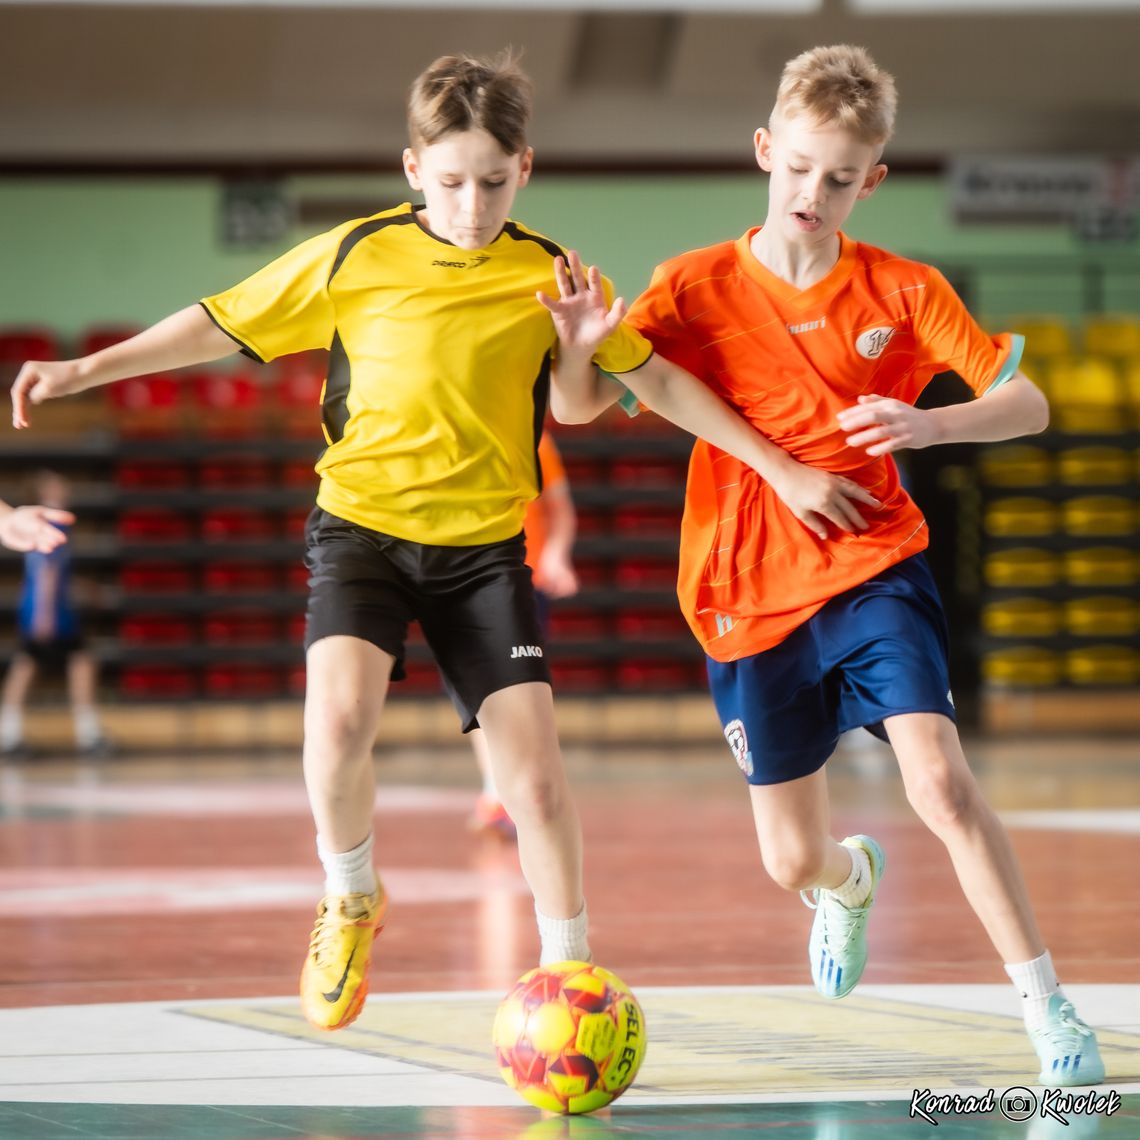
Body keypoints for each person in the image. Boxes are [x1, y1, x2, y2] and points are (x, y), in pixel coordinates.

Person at [10, 52, 872, 1034]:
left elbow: (659, 384)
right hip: (361, 533)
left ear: (526, 169)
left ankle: (570, 973)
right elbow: (216, 326)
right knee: (335, 729)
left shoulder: (551, 274)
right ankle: (350, 896)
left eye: (494, 183)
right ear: (414, 169)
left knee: (534, 781)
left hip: (482, 555)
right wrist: (83, 371)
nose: (473, 206)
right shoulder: (354, 256)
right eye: (453, 183)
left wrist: (778, 464)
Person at [551, 44, 1103, 1088]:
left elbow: (1026, 404)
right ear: (766, 150)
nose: (814, 192)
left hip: (872, 565)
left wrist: (932, 425)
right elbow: (581, 406)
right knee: (789, 861)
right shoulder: (695, 287)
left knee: (940, 782)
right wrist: (581, 346)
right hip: (746, 591)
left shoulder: (904, 289)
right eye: (799, 166)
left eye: (840, 176)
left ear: (872, 179)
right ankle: (848, 883)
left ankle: (1047, 1009)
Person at [470, 430, 578, 840]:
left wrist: (556, 554)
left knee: (518, 691)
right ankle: (495, 791)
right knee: (477, 692)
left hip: (523, 580)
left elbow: (560, 509)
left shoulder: (535, 441)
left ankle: (512, 792)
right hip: (465, 581)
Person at [0, 471, 108, 759]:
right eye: (54, 486)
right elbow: (45, 573)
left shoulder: (49, 525)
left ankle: (11, 733)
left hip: (48, 608)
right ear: (41, 494)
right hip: (47, 611)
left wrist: (86, 588)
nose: (62, 488)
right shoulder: (47, 524)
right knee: (51, 664)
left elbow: (55, 575)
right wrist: (44, 615)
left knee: (36, 665)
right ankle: (88, 735)